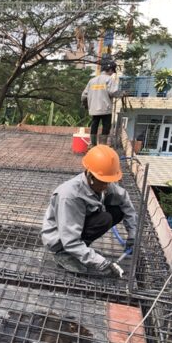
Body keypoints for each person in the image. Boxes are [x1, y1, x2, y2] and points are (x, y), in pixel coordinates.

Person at [41, 145, 137, 277]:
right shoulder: (70, 197)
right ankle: (64, 254)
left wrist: (133, 234)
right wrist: (101, 262)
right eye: (103, 182)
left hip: (77, 225)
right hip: (60, 239)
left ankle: (82, 251)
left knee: (117, 211)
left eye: (109, 181)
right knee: (104, 219)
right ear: (90, 176)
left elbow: (124, 201)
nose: (106, 186)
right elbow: (70, 240)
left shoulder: (101, 182)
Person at [81, 60, 120, 147]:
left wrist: (85, 104)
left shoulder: (92, 80)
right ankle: (103, 145)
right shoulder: (109, 79)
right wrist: (121, 94)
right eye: (112, 71)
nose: (112, 74)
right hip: (105, 108)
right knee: (106, 126)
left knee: (94, 125)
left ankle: (93, 144)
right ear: (110, 69)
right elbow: (113, 92)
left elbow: (84, 95)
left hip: (94, 108)